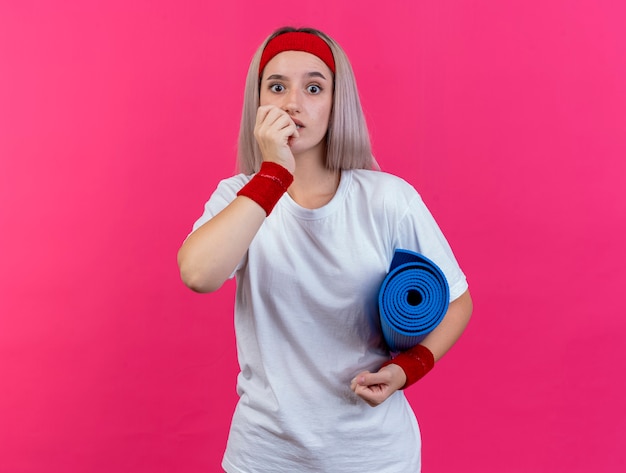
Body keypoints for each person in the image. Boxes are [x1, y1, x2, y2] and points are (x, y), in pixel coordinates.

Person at [177, 26, 473, 473]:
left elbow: (457, 301)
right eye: (276, 87)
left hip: (374, 456)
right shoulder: (238, 196)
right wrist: (274, 171)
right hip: (264, 456)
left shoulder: (388, 199)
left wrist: (407, 369)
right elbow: (199, 274)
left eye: (314, 87)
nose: (293, 102)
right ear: (257, 104)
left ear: (337, 105)